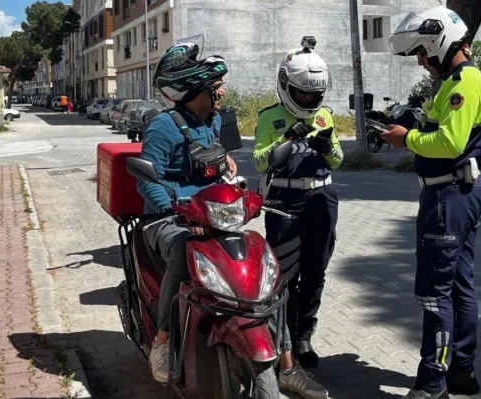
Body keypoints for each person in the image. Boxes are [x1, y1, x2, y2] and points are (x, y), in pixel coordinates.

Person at [382, 6, 481, 399]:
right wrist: (411, 124)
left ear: (440, 43)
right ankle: (461, 371)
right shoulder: (454, 82)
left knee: (435, 292)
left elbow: (449, 143)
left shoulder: (464, 83)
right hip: (456, 192)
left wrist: (405, 139)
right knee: (460, 285)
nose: (421, 62)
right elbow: (440, 129)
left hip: (449, 196)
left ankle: (432, 383)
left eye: (423, 53)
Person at [135, 35, 238, 384]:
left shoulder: (214, 121)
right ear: (193, 91)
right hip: (167, 219)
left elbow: (213, 158)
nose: (222, 92)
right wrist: (178, 212)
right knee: (184, 250)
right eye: (216, 87)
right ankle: (163, 340)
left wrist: (225, 160)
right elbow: (146, 181)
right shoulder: (162, 127)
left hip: (210, 215)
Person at [253, 36, 341, 399]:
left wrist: (328, 147)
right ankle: (282, 341)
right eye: (301, 95)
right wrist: (285, 139)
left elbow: (338, 160)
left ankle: (303, 336)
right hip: (284, 201)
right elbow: (260, 159)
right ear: (288, 87)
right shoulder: (270, 117)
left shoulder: (324, 116)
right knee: (284, 277)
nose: (307, 101)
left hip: (322, 197)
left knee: (316, 271)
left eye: (312, 95)